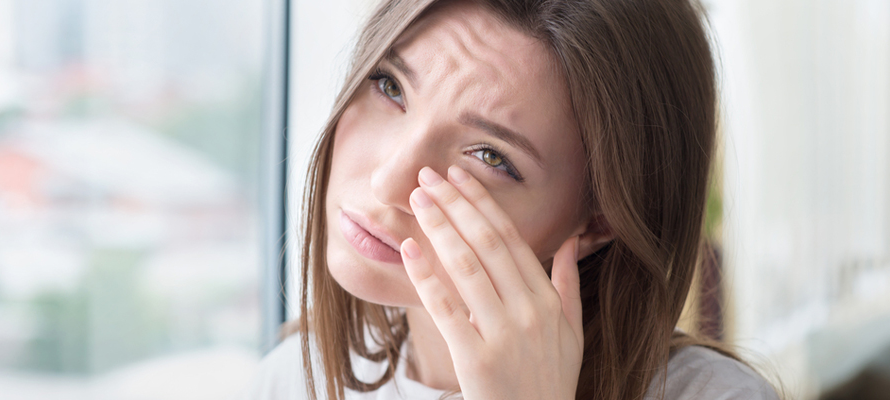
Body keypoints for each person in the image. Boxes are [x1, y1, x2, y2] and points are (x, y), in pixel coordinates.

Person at [244, 0, 781, 399]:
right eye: (389, 86)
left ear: (598, 220)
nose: (388, 184)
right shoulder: (293, 377)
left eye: (489, 156)